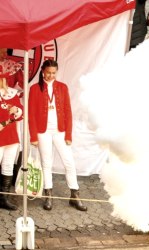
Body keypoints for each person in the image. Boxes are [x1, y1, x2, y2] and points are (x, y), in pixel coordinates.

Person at [28, 60, 87, 211]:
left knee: (69, 162)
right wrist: (33, 136)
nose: (51, 75)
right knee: (46, 163)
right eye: (48, 72)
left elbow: (68, 111)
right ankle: (49, 195)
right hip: (43, 132)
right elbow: (31, 114)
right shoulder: (35, 89)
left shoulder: (62, 87)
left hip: (59, 131)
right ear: (42, 71)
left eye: (54, 72)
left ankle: (75, 195)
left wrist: (68, 134)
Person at [0, 67, 23, 210]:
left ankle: (4, 198)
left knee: (8, 165)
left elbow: (21, 115)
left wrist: (16, 111)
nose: (4, 81)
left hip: (11, 135)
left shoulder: (13, 94)